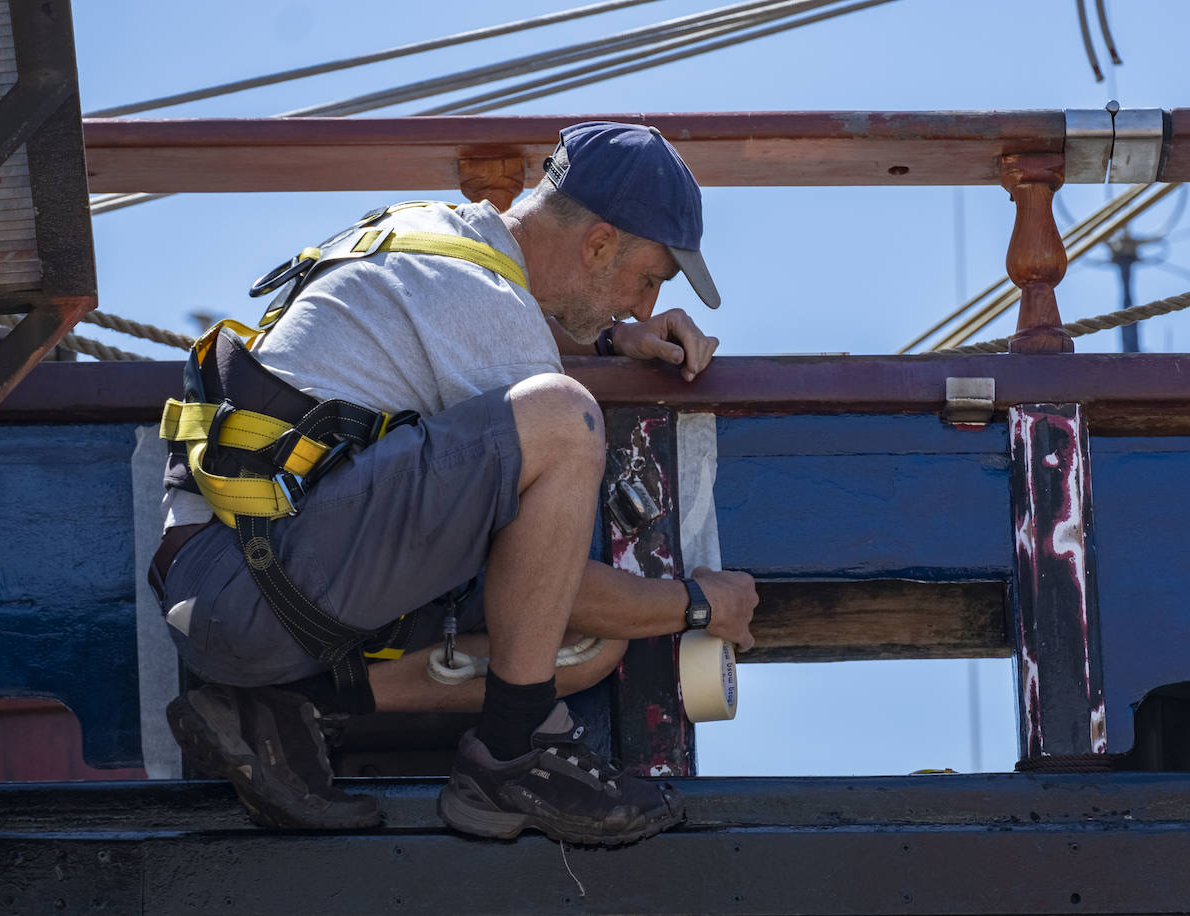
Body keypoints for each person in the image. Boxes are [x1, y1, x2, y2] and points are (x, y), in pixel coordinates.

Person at [148, 121, 759, 845]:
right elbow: (550, 574)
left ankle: (291, 706)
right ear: (598, 245)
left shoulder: (439, 239)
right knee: (566, 422)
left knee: (585, 650)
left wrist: (606, 340)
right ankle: (514, 754)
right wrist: (695, 604)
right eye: (647, 279)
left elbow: (477, 332)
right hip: (248, 588)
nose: (644, 305)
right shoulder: (483, 307)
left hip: (241, 588)